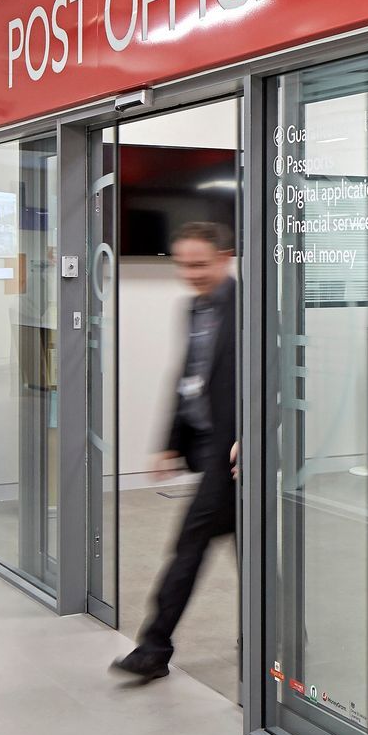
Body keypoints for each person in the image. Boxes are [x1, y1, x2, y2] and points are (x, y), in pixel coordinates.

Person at [111, 222, 238, 684]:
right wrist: (168, 442)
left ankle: (154, 646)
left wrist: (254, 436)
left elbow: (276, 380)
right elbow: (185, 377)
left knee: (188, 546)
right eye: (184, 264)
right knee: (252, 550)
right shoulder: (193, 308)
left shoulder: (252, 307)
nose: (191, 274)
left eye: (200, 264)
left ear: (225, 257)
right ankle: (280, 636)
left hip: (234, 454)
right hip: (206, 450)